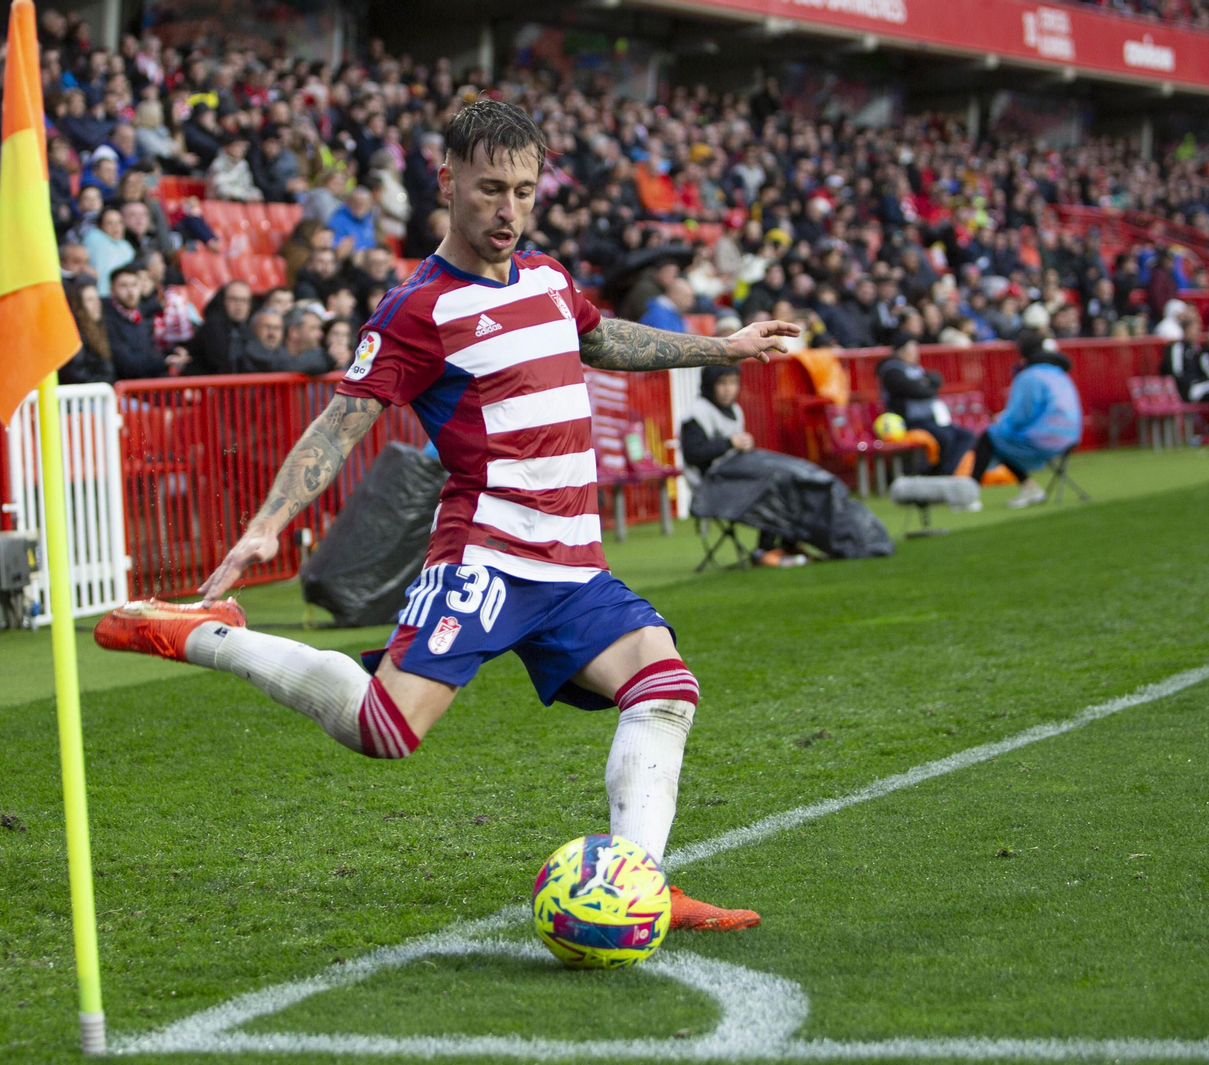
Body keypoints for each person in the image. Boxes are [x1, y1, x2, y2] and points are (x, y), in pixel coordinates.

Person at [93, 98, 801, 931]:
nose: (509, 212)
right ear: (447, 180)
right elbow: (339, 421)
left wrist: (724, 346)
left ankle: (637, 881)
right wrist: (267, 523)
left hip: (573, 569)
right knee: (386, 729)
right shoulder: (417, 308)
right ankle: (204, 633)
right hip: (488, 559)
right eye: (491, 189)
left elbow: (602, 338)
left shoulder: (545, 279)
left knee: (666, 686)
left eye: (526, 193)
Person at [679, 364, 807, 568]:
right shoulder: (697, 413)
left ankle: (787, 544)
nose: (729, 389)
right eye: (722, 383)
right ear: (709, 384)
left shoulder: (736, 410)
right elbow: (693, 454)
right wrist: (729, 443)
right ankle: (763, 551)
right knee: (771, 484)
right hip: (711, 486)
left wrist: (743, 446)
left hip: (735, 478)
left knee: (787, 477)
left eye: (733, 383)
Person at [970, 334, 1082, 508]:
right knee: (1000, 440)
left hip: (1047, 437)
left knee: (990, 437)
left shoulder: (1030, 375)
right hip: (1072, 435)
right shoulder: (1058, 372)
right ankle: (1029, 487)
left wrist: (1001, 420)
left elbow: (1020, 415)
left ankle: (969, 494)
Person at [876, 335, 976, 476]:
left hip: (929, 419)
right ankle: (939, 475)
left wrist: (925, 386)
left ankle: (944, 472)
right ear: (900, 351)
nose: (914, 353)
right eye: (910, 349)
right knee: (945, 437)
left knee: (966, 436)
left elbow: (936, 379)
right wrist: (925, 386)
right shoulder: (891, 371)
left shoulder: (916, 369)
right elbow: (915, 390)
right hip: (908, 422)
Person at [1162, 316, 1209, 432]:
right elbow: (1176, 372)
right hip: (1185, 390)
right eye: (1194, 329)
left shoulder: (1197, 350)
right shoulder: (1177, 347)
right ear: (1185, 330)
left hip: (1198, 386)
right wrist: (1190, 383)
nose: (1197, 333)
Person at [105, 264, 180, 379]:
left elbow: (149, 351)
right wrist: (165, 362)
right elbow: (127, 365)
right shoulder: (108, 321)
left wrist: (173, 351)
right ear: (112, 290)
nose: (130, 291)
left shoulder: (139, 315)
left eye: (134, 285)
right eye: (123, 286)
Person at [184, 280, 253, 376]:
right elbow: (219, 362)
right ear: (223, 300)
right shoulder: (213, 325)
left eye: (244, 301)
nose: (239, 305)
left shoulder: (246, 327)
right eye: (234, 299)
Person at [60, 280, 116, 385]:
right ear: (78, 305)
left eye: (97, 298)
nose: (97, 304)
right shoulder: (74, 335)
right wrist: (103, 383)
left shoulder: (100, 328)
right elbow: (76, 374)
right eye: (90, 300)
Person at [83, 206, 135, 297]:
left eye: (119, 222)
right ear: (100, 226)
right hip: (98, 295)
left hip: (120, 298)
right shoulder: (93, 237)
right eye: (109, 223)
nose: (116, 227)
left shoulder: (128, 248)